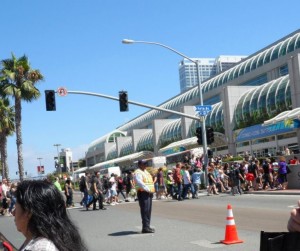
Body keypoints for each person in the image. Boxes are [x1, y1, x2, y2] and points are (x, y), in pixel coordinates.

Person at [13, 180, 87, 251]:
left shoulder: (41, 247)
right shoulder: (50, 239)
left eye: (16, 208)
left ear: (28, 212)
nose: (13, 213)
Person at [134, 159, 155, 234]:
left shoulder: (146, 172)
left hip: (148, 192)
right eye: (144, 164)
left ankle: (147, 226)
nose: (145, 165)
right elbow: (140, 182)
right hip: (143, 192)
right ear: (139, 165)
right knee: (145, 210)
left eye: (146, 164)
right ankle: (145, 227)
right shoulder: (138, 172)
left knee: (148, 210)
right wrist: (148, 189)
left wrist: (150, 191)